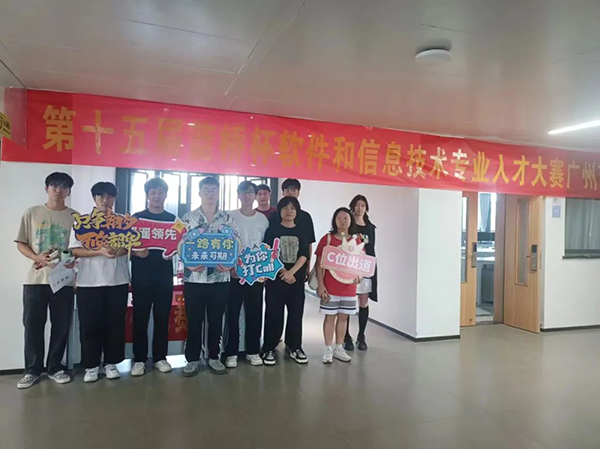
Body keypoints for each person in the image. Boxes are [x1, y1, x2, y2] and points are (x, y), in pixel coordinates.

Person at [14, 172, 77, 389]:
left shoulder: (76, 217)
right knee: (33, 326)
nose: (58, 190)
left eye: (63, 186)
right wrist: (36, 257)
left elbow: (79, 248)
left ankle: (55, 367)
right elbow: (21, 242)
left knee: (61, 325)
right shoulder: (32, 213)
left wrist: (73, 262)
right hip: (35, 280)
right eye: (54, 185)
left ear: (69, 191)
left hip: (64, 280)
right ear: (46, 189)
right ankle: (32, 370)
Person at [70, 182, 130, 382]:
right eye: (101, 196)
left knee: (115, 324)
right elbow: (74, 250)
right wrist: (99, 251)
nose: (105, 200)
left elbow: (130, 247)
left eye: (110, 196)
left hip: (118, 281)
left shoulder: (122, 222)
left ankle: (111, 363)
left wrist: (120, 250)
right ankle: (91, 365)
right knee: (90, 325)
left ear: (115, 198)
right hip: (88, 282)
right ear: (94, 198)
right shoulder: (82, 222)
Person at [180, 177, 235, 376]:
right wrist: (188, 263)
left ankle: (214, 357)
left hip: (220, 279)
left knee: (216, 320)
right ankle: (192, 359)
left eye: (213, 190)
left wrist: (228, 264)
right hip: (194, 278)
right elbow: (180, 245)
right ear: (199, 192)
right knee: (194, 321)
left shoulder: (227, 218)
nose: (210, 193)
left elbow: (235, 244)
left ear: (218, 192)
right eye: (206, 190)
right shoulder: (188, 217)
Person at [130, 178, 176, 377]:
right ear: (147, 195)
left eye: (160, 192)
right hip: (141, 277)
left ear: (166, 195)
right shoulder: (136, 219)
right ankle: (139, 359)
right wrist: (134, 251)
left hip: (164, 277)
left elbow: (180, 245)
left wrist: (175, 251)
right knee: (140, 318)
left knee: (162, 318)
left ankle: (160, 358)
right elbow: (126, 245)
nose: (157, 196)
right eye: (153, 193)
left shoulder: (173, 220)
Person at [224, 181, 269, 368]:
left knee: (255, 313)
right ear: (239, 195)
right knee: (232, 314)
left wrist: (264, 270)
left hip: (255, 275)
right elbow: (225, 243)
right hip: (234, 273)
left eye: (251, 192)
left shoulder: (262, 220)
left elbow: (266, 247)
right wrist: (230, 266)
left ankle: (252, 351)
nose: (247, 195)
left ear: (255, 195)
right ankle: (231, 353)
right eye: (244, 192)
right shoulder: (229, 216)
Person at [262, 197, 310, 366]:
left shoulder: (302, 230)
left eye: (292, 208)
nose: (289, 211)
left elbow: (304, 254)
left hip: (296, 279)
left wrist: (292, 272)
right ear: (279, 211)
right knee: (273, 314)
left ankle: (294, 347)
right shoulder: (272, 230)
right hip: (276, 279)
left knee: (296, 314)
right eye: (285, 208)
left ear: (297, 211)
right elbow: (269, 253)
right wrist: (283, 271)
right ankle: (269, 347)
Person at [315, 207, 361, 364]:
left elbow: (360, 263)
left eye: (346, 218)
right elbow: (319, 265)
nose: (343, 221)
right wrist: (321, 285)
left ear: (351, 220)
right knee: (330, 318)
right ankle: (328, 349)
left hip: (349, 288)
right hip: (330, 287)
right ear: (334, 221)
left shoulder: (356, 240)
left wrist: (359, 277)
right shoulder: (327, 239)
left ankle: (339, 348)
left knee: (343, 318)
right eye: (339, 218)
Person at [344, 195, 377, 351]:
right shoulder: (348, 225)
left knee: (363, 303)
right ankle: (345, 336)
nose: (359, 208)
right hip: (349, 268)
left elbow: (371, 249)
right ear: (352, 206)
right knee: (347, 302)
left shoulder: (370, 227)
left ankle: (361, 336)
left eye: (363, 205)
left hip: (365, 269)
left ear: (366, 208)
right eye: (357, 205)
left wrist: (371, 269)